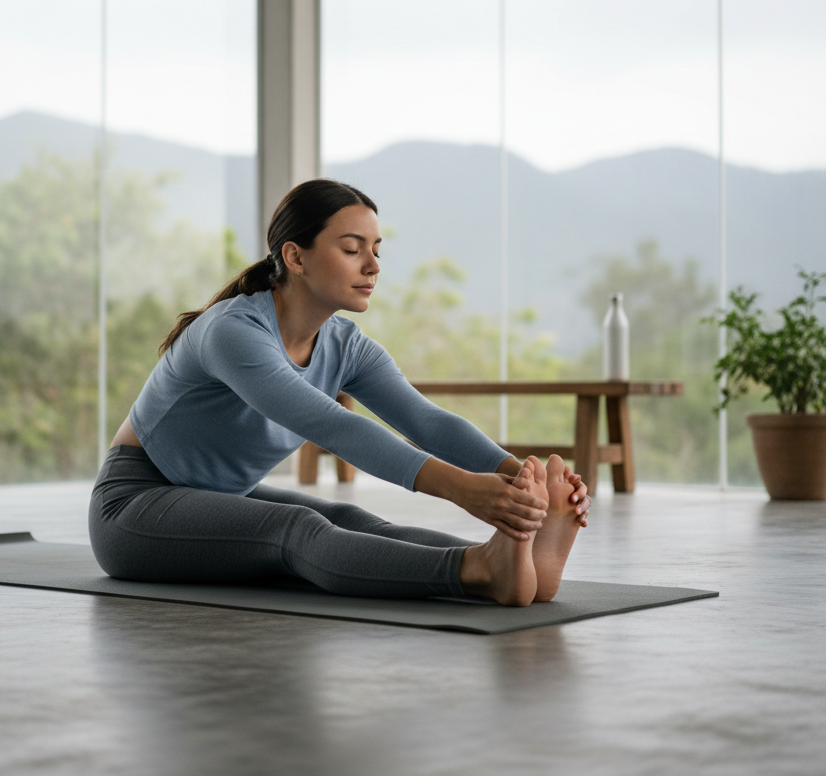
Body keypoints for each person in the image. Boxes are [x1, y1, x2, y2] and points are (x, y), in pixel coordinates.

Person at [90, 179, 590, 606]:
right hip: (136, 504)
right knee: (296, 530)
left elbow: (427, 421)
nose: (372, 265)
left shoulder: (345, 346)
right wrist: (462, 488)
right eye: (352, 249)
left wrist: (521, 481)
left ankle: (511, 561)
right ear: (296, 257)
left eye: (376, 250)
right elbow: (331, 425)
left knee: (348, 517)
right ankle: (480, 570)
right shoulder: (234, 332)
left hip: (213, 496)